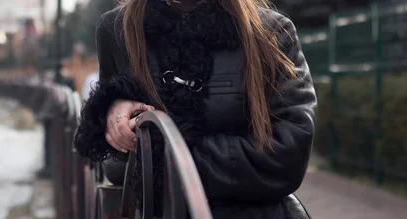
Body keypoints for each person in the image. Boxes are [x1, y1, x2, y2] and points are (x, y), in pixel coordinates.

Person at [74, 0, 316, 218]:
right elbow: (118, 169)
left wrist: (170, 157)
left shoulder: (270, 32)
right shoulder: (118, 30)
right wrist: (115, 114)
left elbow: (288, 157)